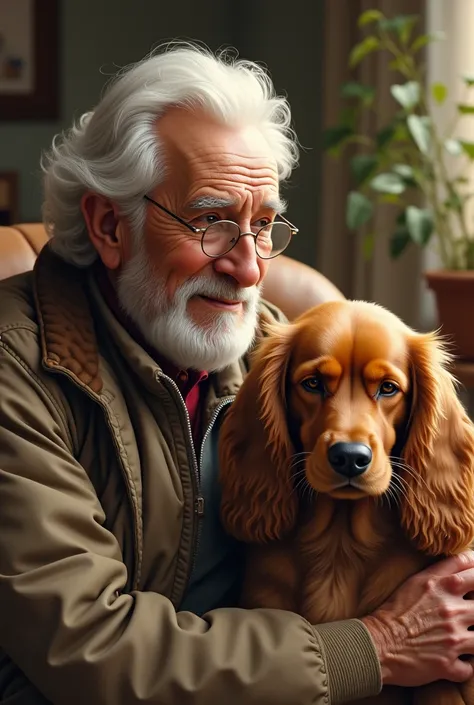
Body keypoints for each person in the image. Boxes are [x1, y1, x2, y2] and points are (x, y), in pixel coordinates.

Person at [0, 42, 474, 705]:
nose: (250, 267)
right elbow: (87, 645)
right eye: (212, 221)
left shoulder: (277, 348)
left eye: (264, 225)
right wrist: (375, 648)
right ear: (111, 224)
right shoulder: (15, 372)